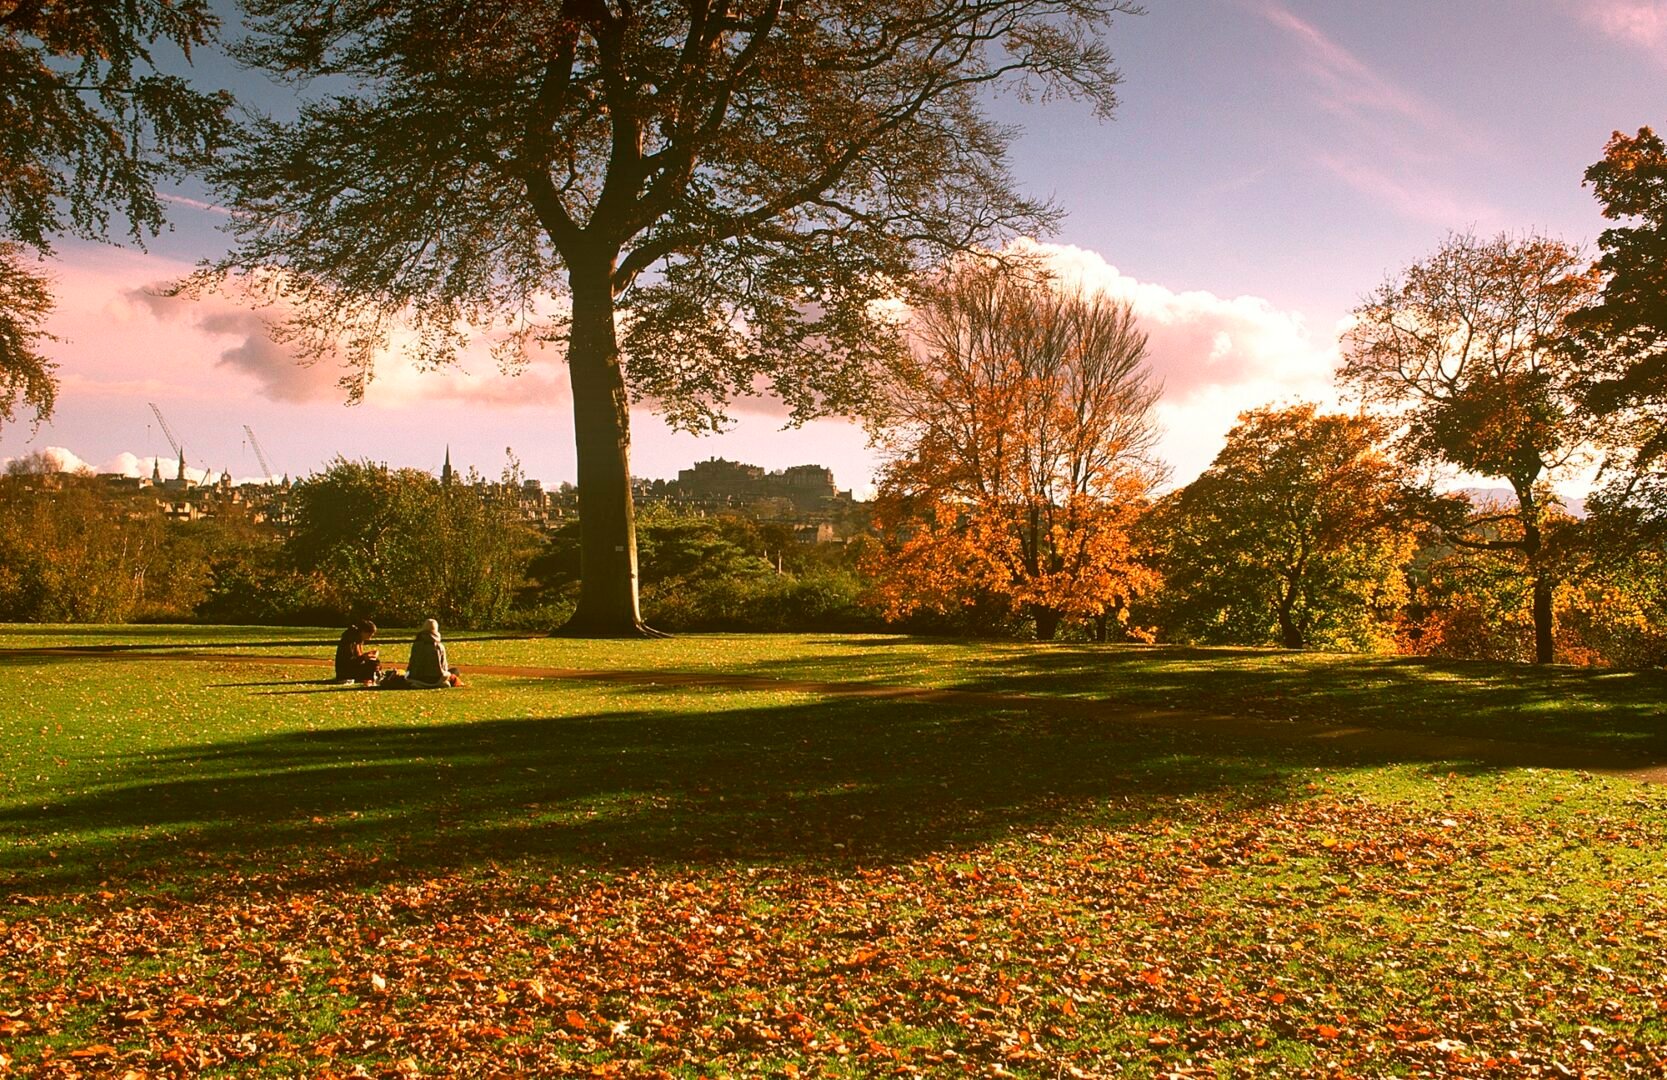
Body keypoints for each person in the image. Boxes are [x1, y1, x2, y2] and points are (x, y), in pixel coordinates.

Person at [406, 618, 459, 688]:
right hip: (436, 679)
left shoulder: (416, 645)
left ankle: (420, 684)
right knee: (455, 671)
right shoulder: (439, 646)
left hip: (417, 678)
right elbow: (444, 667)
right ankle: (439, 684)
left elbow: (412, 664)